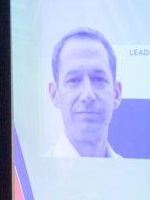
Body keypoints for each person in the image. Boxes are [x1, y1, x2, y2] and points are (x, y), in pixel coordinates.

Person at [46, 28, 124, 158]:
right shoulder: (32, 175)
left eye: (99, 79)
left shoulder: (134, 174)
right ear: (54, 94)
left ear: (116, 93)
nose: (88, 95)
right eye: (74, 80)